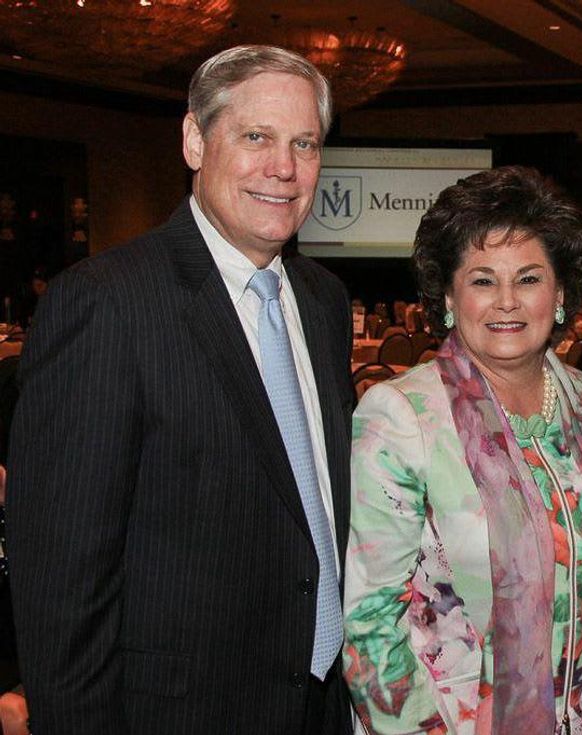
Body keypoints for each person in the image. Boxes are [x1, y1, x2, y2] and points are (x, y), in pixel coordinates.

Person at [6, 46, 354, 735]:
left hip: (320, 706)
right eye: (256, 136)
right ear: (196, 140)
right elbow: (62, 594)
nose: (283, 168)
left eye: (304, 144)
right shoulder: (107, 304)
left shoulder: (323, 300)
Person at [342, 166, 582, 735]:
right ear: (449, 296)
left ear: (560, 296)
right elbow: (370, 622)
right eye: (482, 280)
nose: (507, 301)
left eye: (528, 278)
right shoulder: (402, 417)